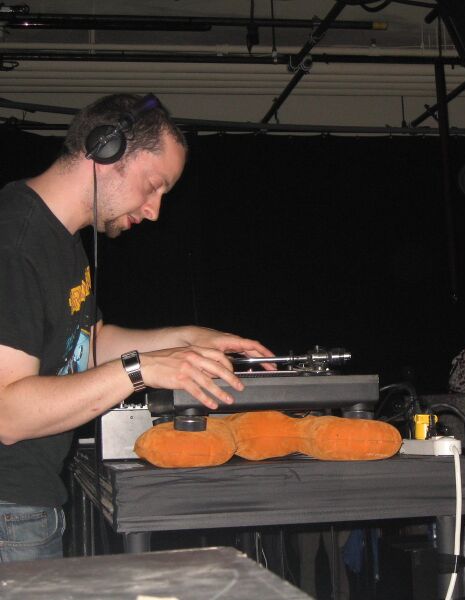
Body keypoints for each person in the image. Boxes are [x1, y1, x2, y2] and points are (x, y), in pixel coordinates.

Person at [0, 93, 273, 563]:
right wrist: (140, 369)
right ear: (105, 149)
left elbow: (92, 342)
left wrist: (186, 339)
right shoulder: (15, 242)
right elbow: (8, 414)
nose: (154, 211)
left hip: (25, 507)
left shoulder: (59, 239)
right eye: (153, 186)